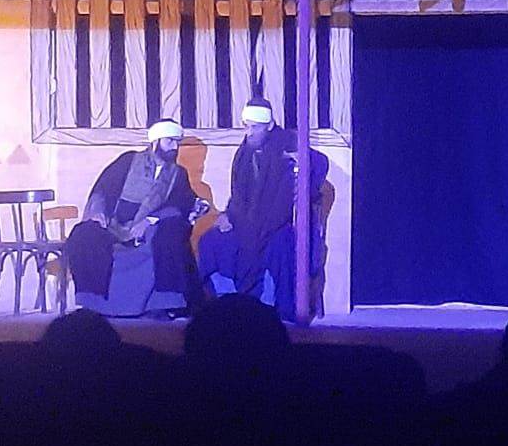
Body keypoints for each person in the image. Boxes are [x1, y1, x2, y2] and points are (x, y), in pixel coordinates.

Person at [197, 99, 328, 322]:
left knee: (281, 247)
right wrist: (227, 215)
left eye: (255, 127)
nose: (249, 133)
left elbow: (319, 162)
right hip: (245, 221)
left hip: (279, 222)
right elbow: (238, 194)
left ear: (269, 125)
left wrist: (303, 161)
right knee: (212, 241)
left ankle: (272, 307)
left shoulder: (287, 141)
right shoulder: (245, 150)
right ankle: (227, 302)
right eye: (247, 126)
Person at [65, 119, 199, 317]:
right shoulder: (128, 161)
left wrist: (150, 220)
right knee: (82, 234)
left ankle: (160, 305)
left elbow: (180, 204)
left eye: (177, 142)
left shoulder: (178, 174)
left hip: (150, 229)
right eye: (169, 141)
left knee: (169, 235)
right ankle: (92, 303)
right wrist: (98, 212)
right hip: (113, 225)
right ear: (155, 141)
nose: (174, 147)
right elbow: (102, 190)